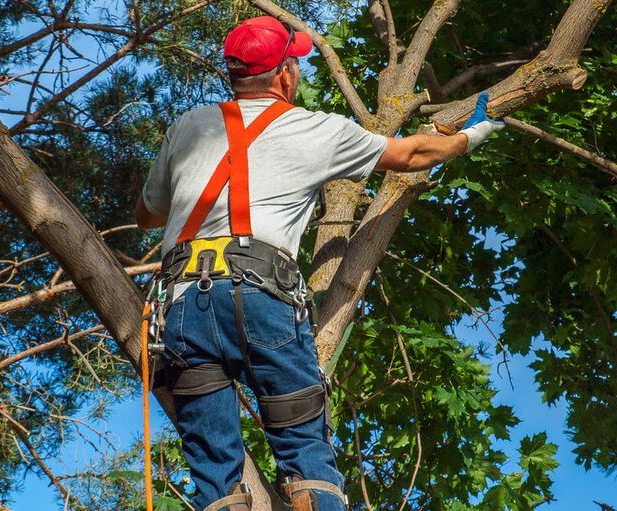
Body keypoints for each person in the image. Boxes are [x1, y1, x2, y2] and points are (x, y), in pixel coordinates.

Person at [135, 15, 504, 511]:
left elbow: (147, 215)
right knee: (307, 459)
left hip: (179, 311)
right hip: (260, 297)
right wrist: (471, 136)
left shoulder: (187, 127)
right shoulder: (317, 129)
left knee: (214, 480)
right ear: (285, 75)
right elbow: (413, 154)